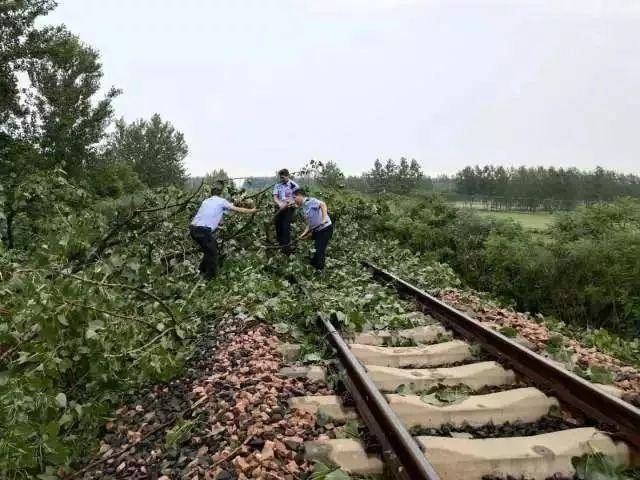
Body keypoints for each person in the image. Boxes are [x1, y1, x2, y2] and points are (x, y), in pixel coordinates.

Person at [190, 185, 257, 279]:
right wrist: (252, 210)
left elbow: (210, 215)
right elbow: (238, 210)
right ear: (220, 194)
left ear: (211, 193)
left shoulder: (206, 201)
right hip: (203, 230)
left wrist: (219, 226)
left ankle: (202, 271)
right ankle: (209, 278)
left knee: (209, 249)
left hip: (193, 229)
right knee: (213, 252)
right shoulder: (222, 201)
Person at [293, 188, 333, 270]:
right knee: (315, 250)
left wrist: (324, 218)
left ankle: (320, 270)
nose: (294, 200)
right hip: (316, 231)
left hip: (325, 228)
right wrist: (303, 235)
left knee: (319, 250)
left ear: (300, 196)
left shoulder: (310, 201)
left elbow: (323, 204)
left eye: (294, 197)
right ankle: (314, 267)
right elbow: (309, 224)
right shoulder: (302, 208)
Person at [272, 168, 299, 248]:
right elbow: (275, 197)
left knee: (285, 226)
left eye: (283, 177)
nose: (281, 179)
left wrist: (290, 203)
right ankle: (280, 244)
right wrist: (279, 203)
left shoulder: (294, 185)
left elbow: (297, 198)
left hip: (289, 208)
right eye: (280, 177)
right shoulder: (278, 185)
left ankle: (286, 247)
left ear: (288, 176)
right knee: (278, 225)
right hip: (279, 208)